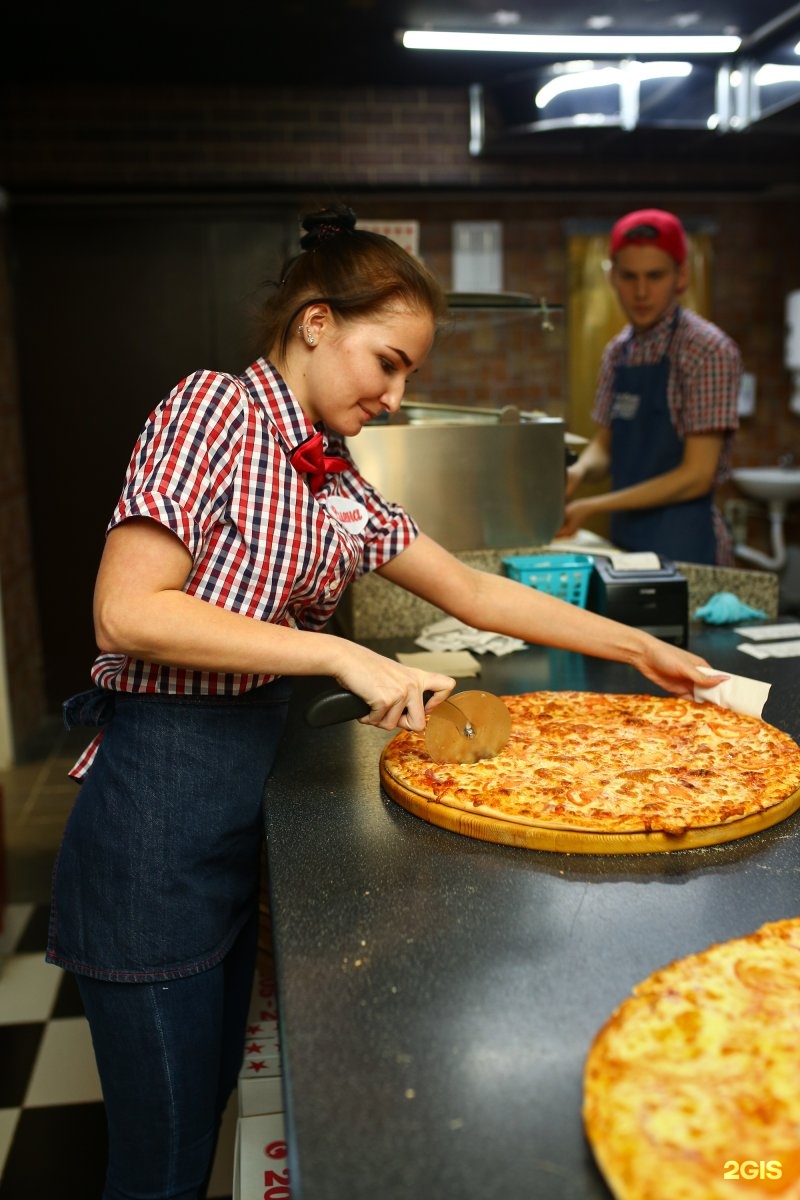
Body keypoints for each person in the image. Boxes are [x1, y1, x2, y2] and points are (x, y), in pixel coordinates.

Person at [47, 203, 726, 1200]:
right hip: (155, 812)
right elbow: (126, 612)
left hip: (238, 800)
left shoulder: (330, 474)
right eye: (387, 361)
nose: (397, 394)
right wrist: (336, 657)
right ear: (315, 323)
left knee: (203, 1121)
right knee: (160, 1163)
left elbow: (473, 592)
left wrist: (640, 649)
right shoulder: (212, 410)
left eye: (409, 372)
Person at [560, 208, 742, 565]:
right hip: (628, 543)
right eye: (629, 276)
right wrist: (578, 472)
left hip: (688, 547)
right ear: (612, 277)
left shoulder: (707, 350)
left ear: (681, 276)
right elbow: (605, 446)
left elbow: (697, 476)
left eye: (655, 276)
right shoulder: (618, 351)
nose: (641, 291)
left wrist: (593, 505)